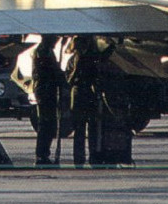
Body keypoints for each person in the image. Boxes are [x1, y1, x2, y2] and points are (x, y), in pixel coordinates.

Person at [67, 36, 113, 166]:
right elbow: (69, 80)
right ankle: (80, 159)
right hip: (79, 94)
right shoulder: (74, 61)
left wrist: (112, 46)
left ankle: (93, 156)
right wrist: (76, 69)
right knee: (81, 129)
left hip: (87, 94)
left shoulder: (90, 58)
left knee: (92, 128)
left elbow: (102, 58)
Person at [31, 36, 66, 166]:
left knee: (48, 125)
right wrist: (61, 76)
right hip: (45, 91)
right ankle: (41, 155)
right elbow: (50, 71)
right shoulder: (43, 51)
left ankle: (43, 154)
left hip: (46, 90)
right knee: (46, 125)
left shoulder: (46, 50)